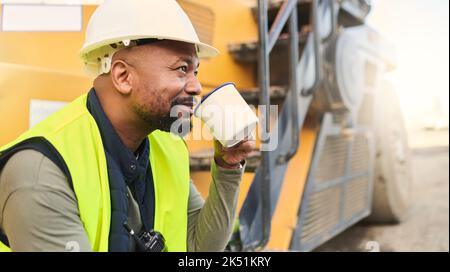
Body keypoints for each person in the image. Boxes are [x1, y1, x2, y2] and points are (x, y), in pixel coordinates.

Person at [0, 0, 254, 252]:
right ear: (123, 76)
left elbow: (199, 248)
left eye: (195, 72)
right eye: (181, 69)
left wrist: (228, 165)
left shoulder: (166, 147)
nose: (196, 86)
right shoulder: (40, 172)